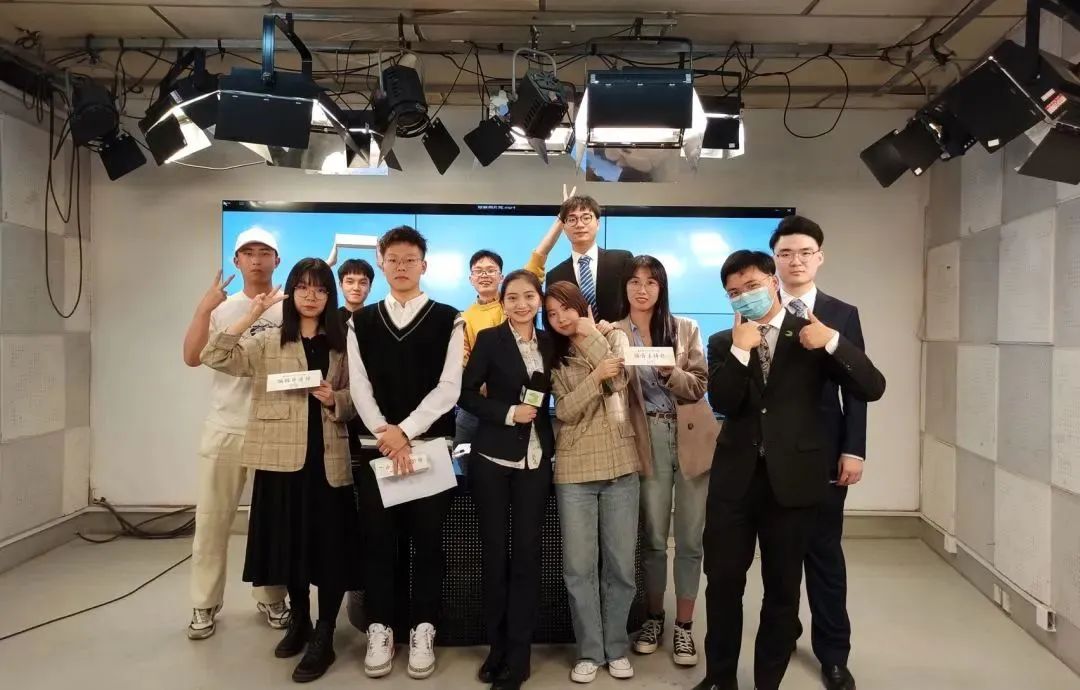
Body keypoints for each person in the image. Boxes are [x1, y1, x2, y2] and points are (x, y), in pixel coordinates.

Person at [694, 251, 885, 690]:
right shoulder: (724, 342)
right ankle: (720, 678)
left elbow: (872, 386)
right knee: (722, 584)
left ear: (773, 281)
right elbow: (723, 402)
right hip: (734, 484)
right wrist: (741, 352)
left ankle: (768, 682)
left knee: (782, 590)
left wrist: (833, 342)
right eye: (734, 292)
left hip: (793, 483)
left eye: (752, 286)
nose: (744, 296)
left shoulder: (811, 334)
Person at [200, 258, 361, 683]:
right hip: (279, 459)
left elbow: (359, 398)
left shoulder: (342, 342)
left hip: (327, 460)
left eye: (321, 289)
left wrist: (335, 399)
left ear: (329, 296)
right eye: (303, 287)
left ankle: (325, 633)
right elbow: (213, 355)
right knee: (290, 546)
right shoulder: (269, 339)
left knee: (330, 549)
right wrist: (251, 313)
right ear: (291, 292)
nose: (312, 296)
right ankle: (300, 620)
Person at [347, 226, 465, 680]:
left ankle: (423, 629)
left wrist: (406, 431)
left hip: (429, 448)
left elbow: (449, 387)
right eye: (393, 259)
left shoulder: (449, 318)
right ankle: (381, 628)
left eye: (409, 259)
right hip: (377, 449)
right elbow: (359, 385)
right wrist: (386, 432)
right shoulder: (361, 321)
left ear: (424, 265)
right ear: (381, 263)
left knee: (428, 543)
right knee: (378, 542)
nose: (401, 267)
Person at [770, 216, 866, 690]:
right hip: (773, 457)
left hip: (826, 453)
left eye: (805, 252)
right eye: (785, 253)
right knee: (779, 555)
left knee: (825, 557)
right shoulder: (759, 307)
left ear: (820, 257)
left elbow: (859, 388)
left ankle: (833, 655)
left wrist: (854, 450)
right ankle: (783, 631)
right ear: (775, 259)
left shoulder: (841, 314)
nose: (796, 260)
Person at [180, 227, 289, 640]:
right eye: (248, 252)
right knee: (212, 520)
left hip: (273, 429)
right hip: (225, 426)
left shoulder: (289, 306)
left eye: (265, 252)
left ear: (277, 260)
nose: (257, 259)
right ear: (236, 261)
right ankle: (204, 603)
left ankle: (272, 596)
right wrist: (202, 310)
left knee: (272, 523)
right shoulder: (222, 307)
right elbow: (192, 357)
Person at [615, 256, 717, 668]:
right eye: (635, 282)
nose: (642, 289)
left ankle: (685, 626)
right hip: (647, 438)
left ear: (662, 288)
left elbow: (699, 386)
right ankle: (654, 618)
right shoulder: (614, 332)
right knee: (654, 537)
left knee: (690, 539)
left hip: (690, 435)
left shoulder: (684, 328)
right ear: (624, 287)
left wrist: (670, 370)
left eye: (651, 282)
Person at [460, 270, 555, 690]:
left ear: (539, 300)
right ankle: (496, 648)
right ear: (502, 302)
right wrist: (506, 412)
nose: (521, 304)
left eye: (528, 296)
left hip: (536, 459)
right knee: (495, 556)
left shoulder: (551, 342)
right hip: (492, 458)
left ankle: (520, 654)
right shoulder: (489, 339)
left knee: (528, 558)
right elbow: (464, 394)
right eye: (512, 297)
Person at [545, 281, 640, 684]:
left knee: (620, 566)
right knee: (578, 568)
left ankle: (615, 648)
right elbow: (565, 410)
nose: (560, 318)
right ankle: (589, 651)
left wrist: (591, 336)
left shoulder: (614, 336)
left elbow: (620, 382)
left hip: (620, 463)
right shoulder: (553, 354)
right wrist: (596, 375)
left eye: (566, 309)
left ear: (581, 307)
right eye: (552, 314)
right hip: (573, 469)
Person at [455, 185, 572, 452]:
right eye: (478, 271)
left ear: (501, 276)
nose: (485, 275)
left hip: (522, 406)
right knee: (472, 472)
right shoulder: (463, 318)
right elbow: (463, 362)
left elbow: (539, 255)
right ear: (470, 279)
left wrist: (561, 218)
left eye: (491, 270)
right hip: (477, 410)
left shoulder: (515, 300)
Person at [545, 195, 635, 323]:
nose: (579, 225)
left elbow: (637, 304)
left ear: (598, 223)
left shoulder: (622, 260)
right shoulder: (555, 276)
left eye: (586, 218)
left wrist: (617, 326)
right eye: (572, 219)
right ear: (563, 227)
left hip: (621, 334)